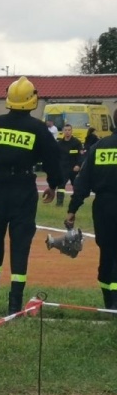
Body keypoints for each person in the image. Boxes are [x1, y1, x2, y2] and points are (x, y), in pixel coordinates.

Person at [0, 76, 61, 315]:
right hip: (24, 192)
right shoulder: (38, 128)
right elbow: (53, 160)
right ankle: (15, 305)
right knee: (20, 246)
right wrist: (54, 185)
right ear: (32, 101)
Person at [66, 111, 117, 309]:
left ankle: (109, 302)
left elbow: (83, 183)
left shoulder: (99, 147)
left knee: (107, 252)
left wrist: (72, 210)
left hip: (104, 207)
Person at [56, 124, 83, 207]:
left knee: (76, 186)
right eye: (66, 130)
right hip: (63, 168)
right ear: (63, 131)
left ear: (71, 131)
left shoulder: (77, 142)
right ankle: (59, 203)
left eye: (69, 130)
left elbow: (80, 155)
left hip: (74, 168)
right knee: (61, 186)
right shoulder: (59, 143)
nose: (67, 132)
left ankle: (76, 202)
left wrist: (78, 165)